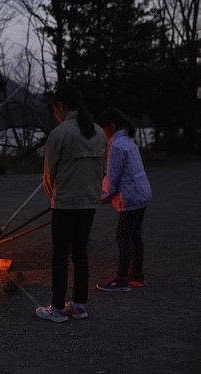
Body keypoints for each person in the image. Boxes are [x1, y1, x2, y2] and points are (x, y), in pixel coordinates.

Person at [37, 85, 107, 322]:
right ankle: (78, 305)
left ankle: (57, 308)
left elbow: (49, 174)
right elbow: (102, 170)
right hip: (89, 202)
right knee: (80, 253)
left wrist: (54, 196)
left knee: (59, 254)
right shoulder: (98, 132)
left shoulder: (60, 133)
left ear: (60, 106)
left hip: (66, 203)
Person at [95, 108, 152, 291]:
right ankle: (136, 274)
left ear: (111, 126)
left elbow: (112, 177)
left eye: (103, 129)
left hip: (131, 198)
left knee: (123, 237)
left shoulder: (117, 146)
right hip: (141, 194)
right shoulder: (128, 142)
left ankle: (121, 279)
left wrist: (100, 196)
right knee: (135, 235)